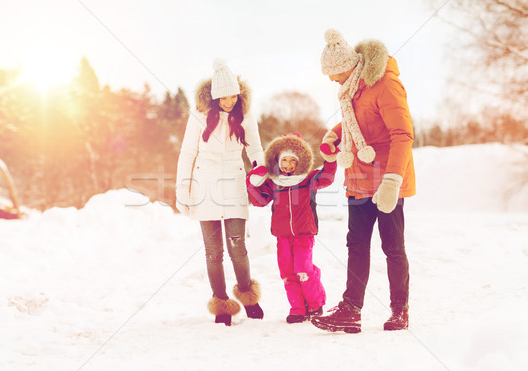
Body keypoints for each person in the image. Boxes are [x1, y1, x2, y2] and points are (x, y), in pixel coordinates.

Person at [310, 29, 416, 333]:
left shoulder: (385, 84)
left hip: (385, 181)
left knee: (392, 247)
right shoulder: (352, 90)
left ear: (348, 65)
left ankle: (400, 310)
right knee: (356, 245)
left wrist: (392, 181)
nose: (331, 80)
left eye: (333, 73)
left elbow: (402, 135)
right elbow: (358, 120)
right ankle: (350, 309)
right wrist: (336, 133)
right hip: (358, 177)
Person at [176, 59, 266, 326]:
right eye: (224, 97)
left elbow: (255, 150)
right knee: (213, 252)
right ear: (215, 96)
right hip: (205, 187)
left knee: (238, 246)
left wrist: (259, 170)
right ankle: (222, 304)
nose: (229, 101)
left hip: (235, 184)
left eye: (233, 96)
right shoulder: (199, 117)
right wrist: (184, 188)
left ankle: (249, 296)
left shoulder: (246, 116)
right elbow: (187, 153)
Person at [246, 133, 336, 324]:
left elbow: (327, 178)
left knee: (303, 269)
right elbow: (260, 201)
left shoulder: (308, 179)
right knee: (288, 272)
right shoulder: (274, 182)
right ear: (277, 161)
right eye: (284, 160)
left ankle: (315, 303)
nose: (287, 164)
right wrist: (252, 183)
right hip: (282, 236)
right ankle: (297, 308)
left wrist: (330, 160)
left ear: (300, 161)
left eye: (292, 160)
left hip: (304, 233)